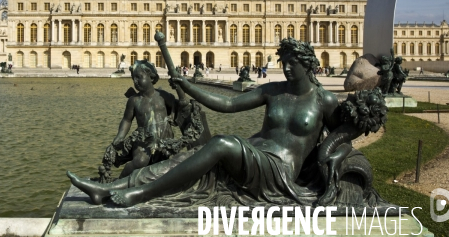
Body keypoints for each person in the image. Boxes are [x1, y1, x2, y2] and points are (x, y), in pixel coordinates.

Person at [67, 38, 342, 207]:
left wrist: (332, 152)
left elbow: (346, 129)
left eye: (293, 62)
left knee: (221, 143)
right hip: (255, 152)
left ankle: (142, 193)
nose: (286, 67)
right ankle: (108, 188)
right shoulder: (273, 90)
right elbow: (229, 104)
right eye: (284, 62)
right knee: (192, 155)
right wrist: (189, 86)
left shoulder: (324, 100)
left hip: (278, 171)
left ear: (308, 65)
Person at [111, 60, 176, 178]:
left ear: (151, 77)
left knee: (167, 165)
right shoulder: (134, 100)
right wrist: (120, 136)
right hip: (144, 139)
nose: (135, 81)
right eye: (133, 79)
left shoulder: (162, 95)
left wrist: (172, 115)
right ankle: (119, 182)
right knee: (140, 161)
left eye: (139, 77)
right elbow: (127, 120)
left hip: (164, 139)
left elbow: (177, 105)